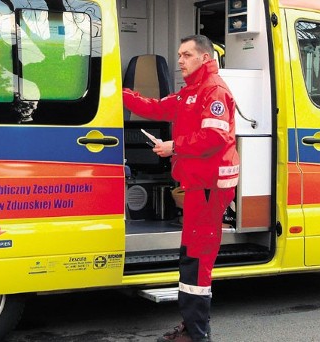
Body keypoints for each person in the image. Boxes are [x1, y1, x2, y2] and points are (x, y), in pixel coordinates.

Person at [122, 35, 240, 342]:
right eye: (179, 55)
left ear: (203, 57)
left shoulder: (212, 90)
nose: (180, 60)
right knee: (192, 255)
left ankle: (196, 335)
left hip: (209, 187)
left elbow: (214, 139)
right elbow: (156, 107)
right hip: (200, 186)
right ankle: (193, 328)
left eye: (186, 55)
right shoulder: (192, 92)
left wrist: (174, 146)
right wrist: (117, 92)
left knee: (197, 259)